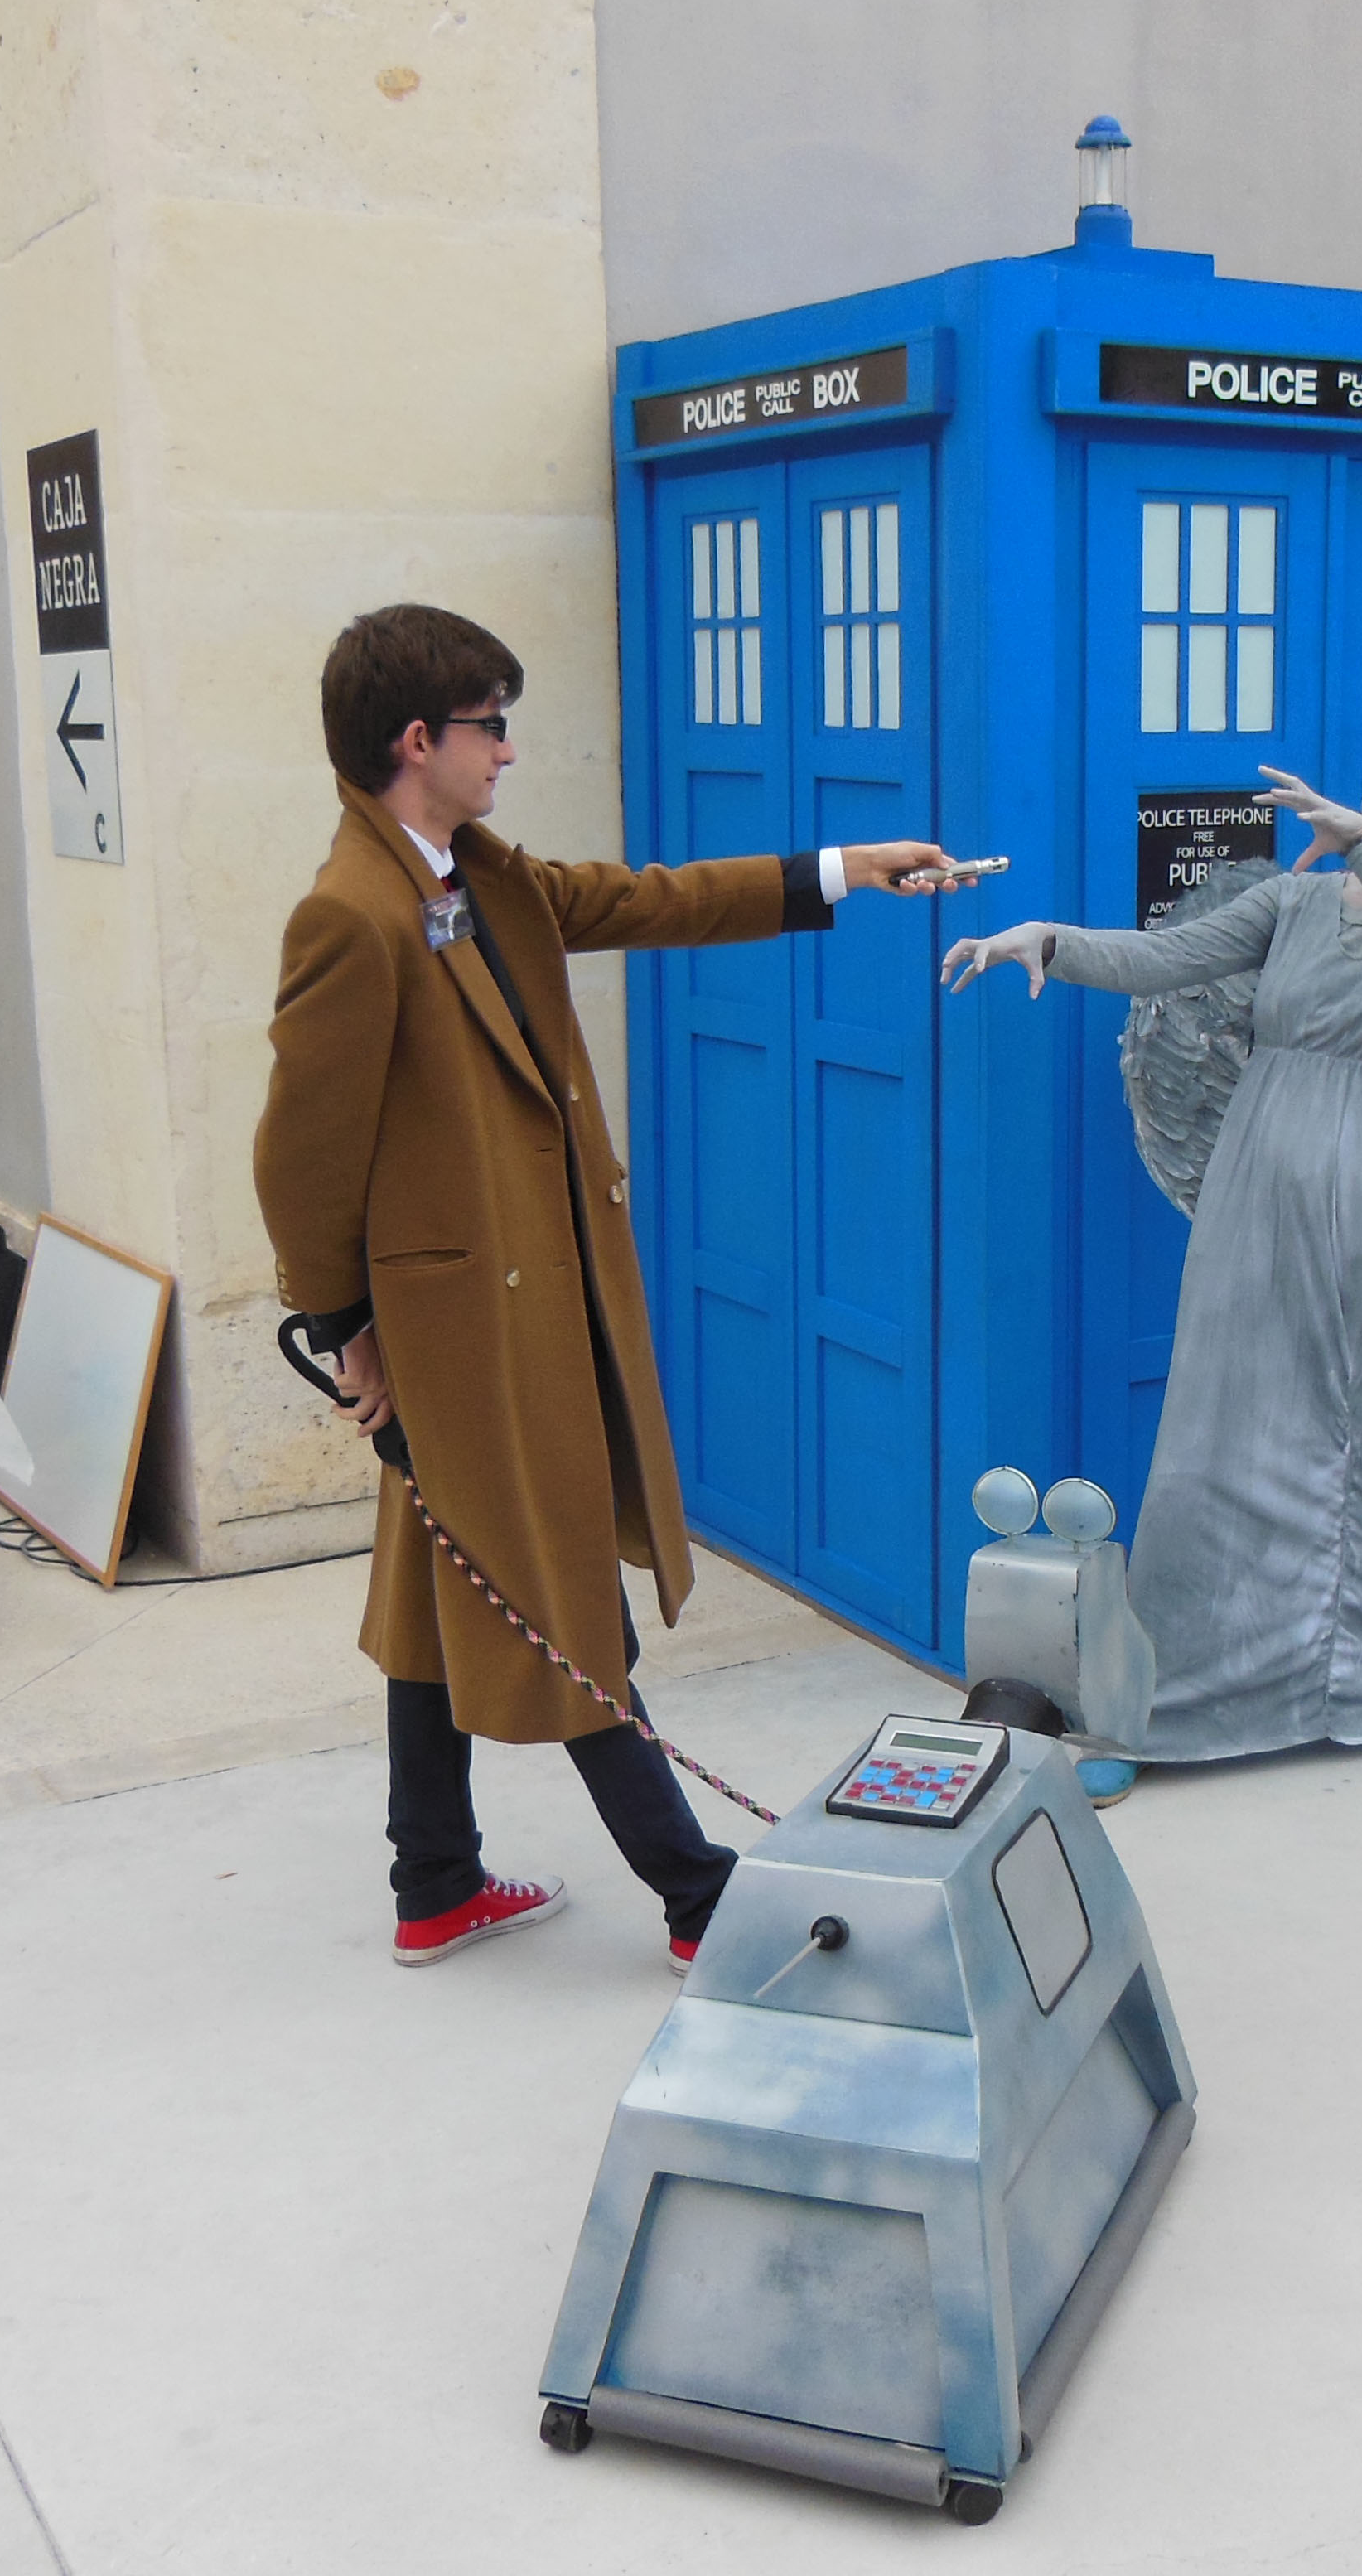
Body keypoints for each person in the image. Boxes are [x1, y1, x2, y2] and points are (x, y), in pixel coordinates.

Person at [254, 605, 964, 1969]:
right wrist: (346, 1334)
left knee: (447, 1574)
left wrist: (843, 869)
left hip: (521, 1297)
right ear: (419, 741)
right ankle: (700, 1899)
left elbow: (649, 900)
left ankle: (433, 1881)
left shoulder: (476, 874)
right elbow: (300, 1155)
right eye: (492, 727)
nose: (510, 751)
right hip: (461, 1329)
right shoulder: (351, 914)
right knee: (559, 1583)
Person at [942, 706, 1362, 1803]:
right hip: (1260, 1198)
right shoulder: (1294, 905)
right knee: (1218, 1436)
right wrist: (1048, 941)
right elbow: (1164, 957)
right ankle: (1164, 1704)